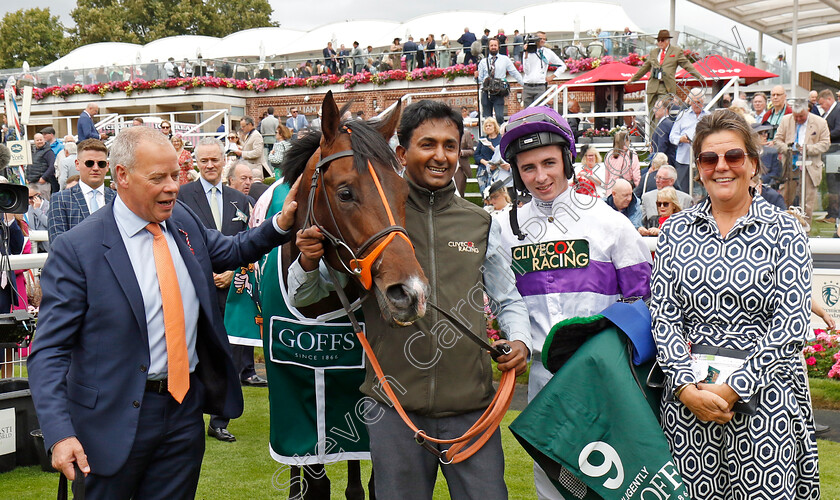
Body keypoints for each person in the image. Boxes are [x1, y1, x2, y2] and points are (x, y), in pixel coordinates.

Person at [28, 126, 300, 498]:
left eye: (176, 175)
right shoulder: (79, 249)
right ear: (121, 175)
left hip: (182, 415)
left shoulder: (182, 222)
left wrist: (281, 223)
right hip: (109, 423)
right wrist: (60, 432)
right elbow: (48, 352)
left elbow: (233, 250)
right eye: (158, 178)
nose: (173, 186)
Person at [289, 100, 531, 500]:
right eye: (428, 144)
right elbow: (309, 295)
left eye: (450, 146)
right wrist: (308, 263)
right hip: (394, 413)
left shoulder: (480, 221)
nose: (440, 156)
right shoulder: (376, 217)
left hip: (472, 408)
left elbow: (508, 299)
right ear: (401, 153)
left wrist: (520, 340)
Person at [650, 109, 819, 499]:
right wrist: (684, 388)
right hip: (689, 405)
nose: (721, 167)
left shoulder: (785, 231)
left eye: (733, 157)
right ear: (698, 168)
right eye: (710, 159)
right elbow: (664, 316)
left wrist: (733, 388)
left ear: (753, 164)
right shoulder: (675, 231)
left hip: (766, 401)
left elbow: (791, 324)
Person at [496, 106, 651, 500]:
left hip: (608, 378)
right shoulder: (504, 230)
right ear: (517, 173)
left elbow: (644, 301)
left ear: (567, 160)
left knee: (621, 481)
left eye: (549, 162)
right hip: (546, 382)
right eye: (528, 167)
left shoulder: (611, 223)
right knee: (552, 480)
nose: (541, 176)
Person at [178, 138, 267, 443]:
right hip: (195, 289)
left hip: (233, 291)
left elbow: (247, 242)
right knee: (194, 352)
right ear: (196, 163)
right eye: (204, 161)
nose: (211, 165)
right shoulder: (181, 197)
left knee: (228, 355)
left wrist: (233, 272)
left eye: (215, 160)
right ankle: (189, 414)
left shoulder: (239, 199)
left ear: (223, 160)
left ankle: (220, 420)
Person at [627, 30, 704, 123]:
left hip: (666, 87)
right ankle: (653, 137)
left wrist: (698, 75)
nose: (660, 42)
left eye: (662, 40)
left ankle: (661, 136)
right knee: (652, 114)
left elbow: (686, 65)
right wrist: (633, 79)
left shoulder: (676, 51)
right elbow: (644, 67)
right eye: (658, 40)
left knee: (661, 112)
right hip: (653, 86)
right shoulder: (654, 52)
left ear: (668, 40)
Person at [47, 139, 117, 242]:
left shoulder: (117, 199)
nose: (96, 168)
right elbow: (57, 245)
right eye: (89, 163)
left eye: (101, 163)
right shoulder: (60, 200)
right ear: (77, 164)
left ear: (107, 166)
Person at [773, 99, 831, 219]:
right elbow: (777, 141)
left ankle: (806, 232)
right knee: (786, 199)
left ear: (808, 111)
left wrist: (807, 149)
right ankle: (785, 228)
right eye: (796, 116)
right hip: (789, 167)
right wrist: (788, 149)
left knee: (807, 203)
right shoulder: (786, 120)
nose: (798, 119)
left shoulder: (820, 122)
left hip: (810, 167)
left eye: (801, 116)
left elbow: (825, 144)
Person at [670, 88, 709, 192]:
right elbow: (672, 136)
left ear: (703, 102)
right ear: (690, 102)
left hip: (704, 158)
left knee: (704, 188)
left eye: (699, 102)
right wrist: (681, 139)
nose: (697, 104)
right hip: (684, 158)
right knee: (682, 189)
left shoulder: (709, 116)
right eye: (694, 102)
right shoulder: (683, 115)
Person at [476, 38, 523, 123]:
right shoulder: (483, 62)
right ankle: (489, 135)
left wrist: (524, 84)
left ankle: (501, 134)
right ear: (488, 47)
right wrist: (476, 77)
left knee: (499, 116)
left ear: (498, 47)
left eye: (495, 45)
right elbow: (479, 79)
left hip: (499, 91)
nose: (493, 47)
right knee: (487, 119)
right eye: (491, 45)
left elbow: (514, 72)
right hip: (486, 92)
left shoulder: (504, 59)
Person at [521, 31, 567, 107]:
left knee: (539, 111)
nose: (542, 40)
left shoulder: (547, 52)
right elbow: (526, 71)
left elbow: (563, 66)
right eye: (540, 38)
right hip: (527, 86)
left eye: (544, 39)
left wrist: (552, 77)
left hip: (540, 86)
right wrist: (526, 54)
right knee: (527, 112)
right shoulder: (528, 51)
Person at [604, 130, 640, 195]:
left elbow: (607, 176)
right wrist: (639, 188)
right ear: (625, 141)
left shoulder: (609, 155)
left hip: (611, 190)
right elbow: (636, 175)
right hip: (625, 190)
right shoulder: (631, 154)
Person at [474, 117, 502, 194]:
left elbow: (502, 154)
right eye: (486, 126)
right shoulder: (483, 139)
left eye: (490, 125)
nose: (488, 127)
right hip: (483, 170)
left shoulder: (500, 139)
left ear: (495, 126)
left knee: (495, 193)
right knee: (485, 194)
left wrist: (492, 148)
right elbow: (476, 155)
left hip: (497, 170)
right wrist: (485, 163)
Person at [27, 133, 57, 198]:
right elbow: (29, 165)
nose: (39, 141)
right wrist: (27, 177)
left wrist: (44, 178)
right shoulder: (32, 152)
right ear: (34, 141)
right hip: (32, 182)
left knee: (44, 203)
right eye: (37, 140)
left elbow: (52, 167)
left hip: (43, 183)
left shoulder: (49, 152)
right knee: (32, 203)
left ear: (44, 140)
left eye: (41, 139)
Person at [650, 98, 677, 168]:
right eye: (654, 108)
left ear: (665, 110)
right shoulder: (665, 123)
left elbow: (662, 146)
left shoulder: (665, 124)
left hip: (663, 164)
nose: (654, 110)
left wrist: (656, 164)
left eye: (657, 108)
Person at [455, 117, 475, 197]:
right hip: (447, 167)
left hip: (460, 167)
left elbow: (471, 151)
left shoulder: (466, 134)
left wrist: (462, 152)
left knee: (459, 193)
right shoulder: (446, 133)